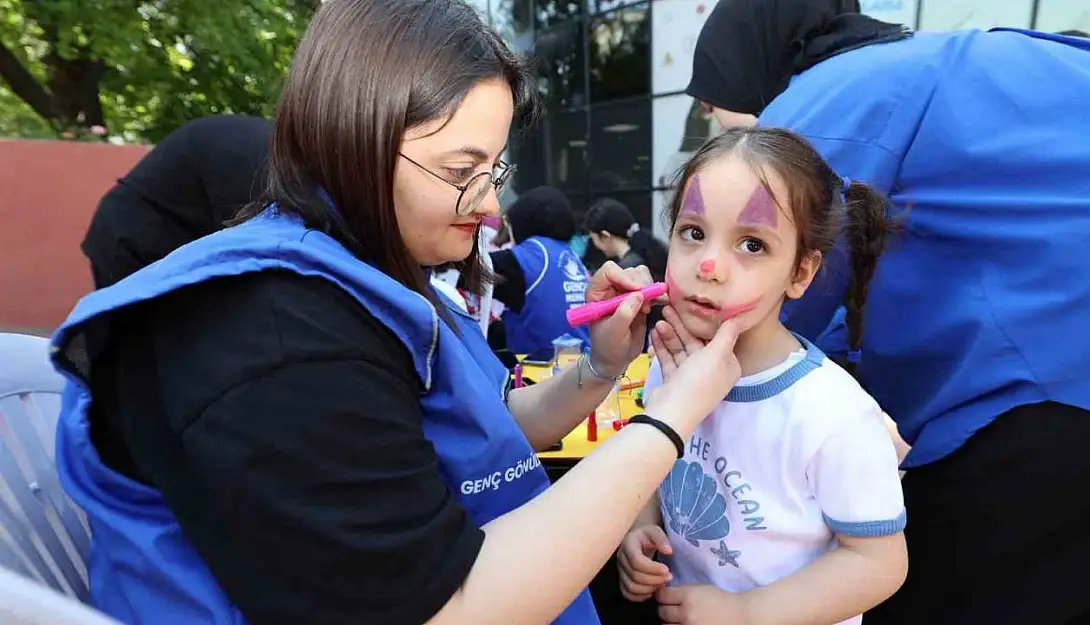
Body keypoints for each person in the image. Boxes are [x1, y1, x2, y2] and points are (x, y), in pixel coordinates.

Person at [46, 2, 750, 624]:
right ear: (356, 133)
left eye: (495, 170)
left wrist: (600, 366)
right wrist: (673, 414)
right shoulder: (277, 339)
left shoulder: (368, 271)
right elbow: (449, 606)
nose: (490, 206)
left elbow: (479, 436)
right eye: (458, 170)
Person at [687, 1, 1090, 623]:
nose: (713, 121)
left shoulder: (834, 95)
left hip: (1042, 397)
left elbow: (762, 315)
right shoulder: (989, 58)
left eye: (711, 104)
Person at [617, 127, 907, 625]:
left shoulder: (831, 413)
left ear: (800, 273)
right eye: (693, 232)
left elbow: (879, 563)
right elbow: (656, 469)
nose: (708, 266)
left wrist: (746, 612)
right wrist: (640, 526)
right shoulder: (669, 369)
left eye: (751, 244)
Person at [81, 114, 273, 288]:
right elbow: (253, 251)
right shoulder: (262, 163)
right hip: (133, 238)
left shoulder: (268, 151)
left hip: (163, 239)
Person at [489, 185, 591, 355]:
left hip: (541, 368)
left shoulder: (531, 256)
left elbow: (461, 270)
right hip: (585, 362)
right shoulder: (571, 256)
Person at [583, 198, 668, 284]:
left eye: (593, 238)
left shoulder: (626, 270)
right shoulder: (650, 253)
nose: (594, 244)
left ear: (605, 236)